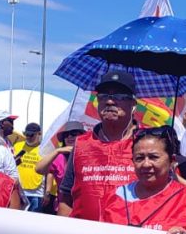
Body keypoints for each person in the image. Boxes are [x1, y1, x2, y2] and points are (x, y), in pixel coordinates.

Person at [58, 70, 137, 220]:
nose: (110, 102)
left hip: (131, 233)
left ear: (133, 104)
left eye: (119, 96)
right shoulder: (81, 144)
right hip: (84, 232)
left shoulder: (147, 144)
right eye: (103, 96)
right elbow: (66, 197)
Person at [34, 120, 85, 213]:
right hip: (65, 206)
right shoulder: (59, 157)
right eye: (66, 135)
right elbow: (39, 169)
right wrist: (57, 151)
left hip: (85, 206)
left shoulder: (90, 155)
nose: (69, 137)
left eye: (73, 133)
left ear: (82, 135)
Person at [13, 122, 46, 211]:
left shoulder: (44, 149)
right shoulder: (17, 146)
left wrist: (47, 192)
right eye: (26, 134)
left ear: (39, 134)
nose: (28, 137)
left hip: (37, 193)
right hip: (19, 191)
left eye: (31, 135)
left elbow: (49, 172)